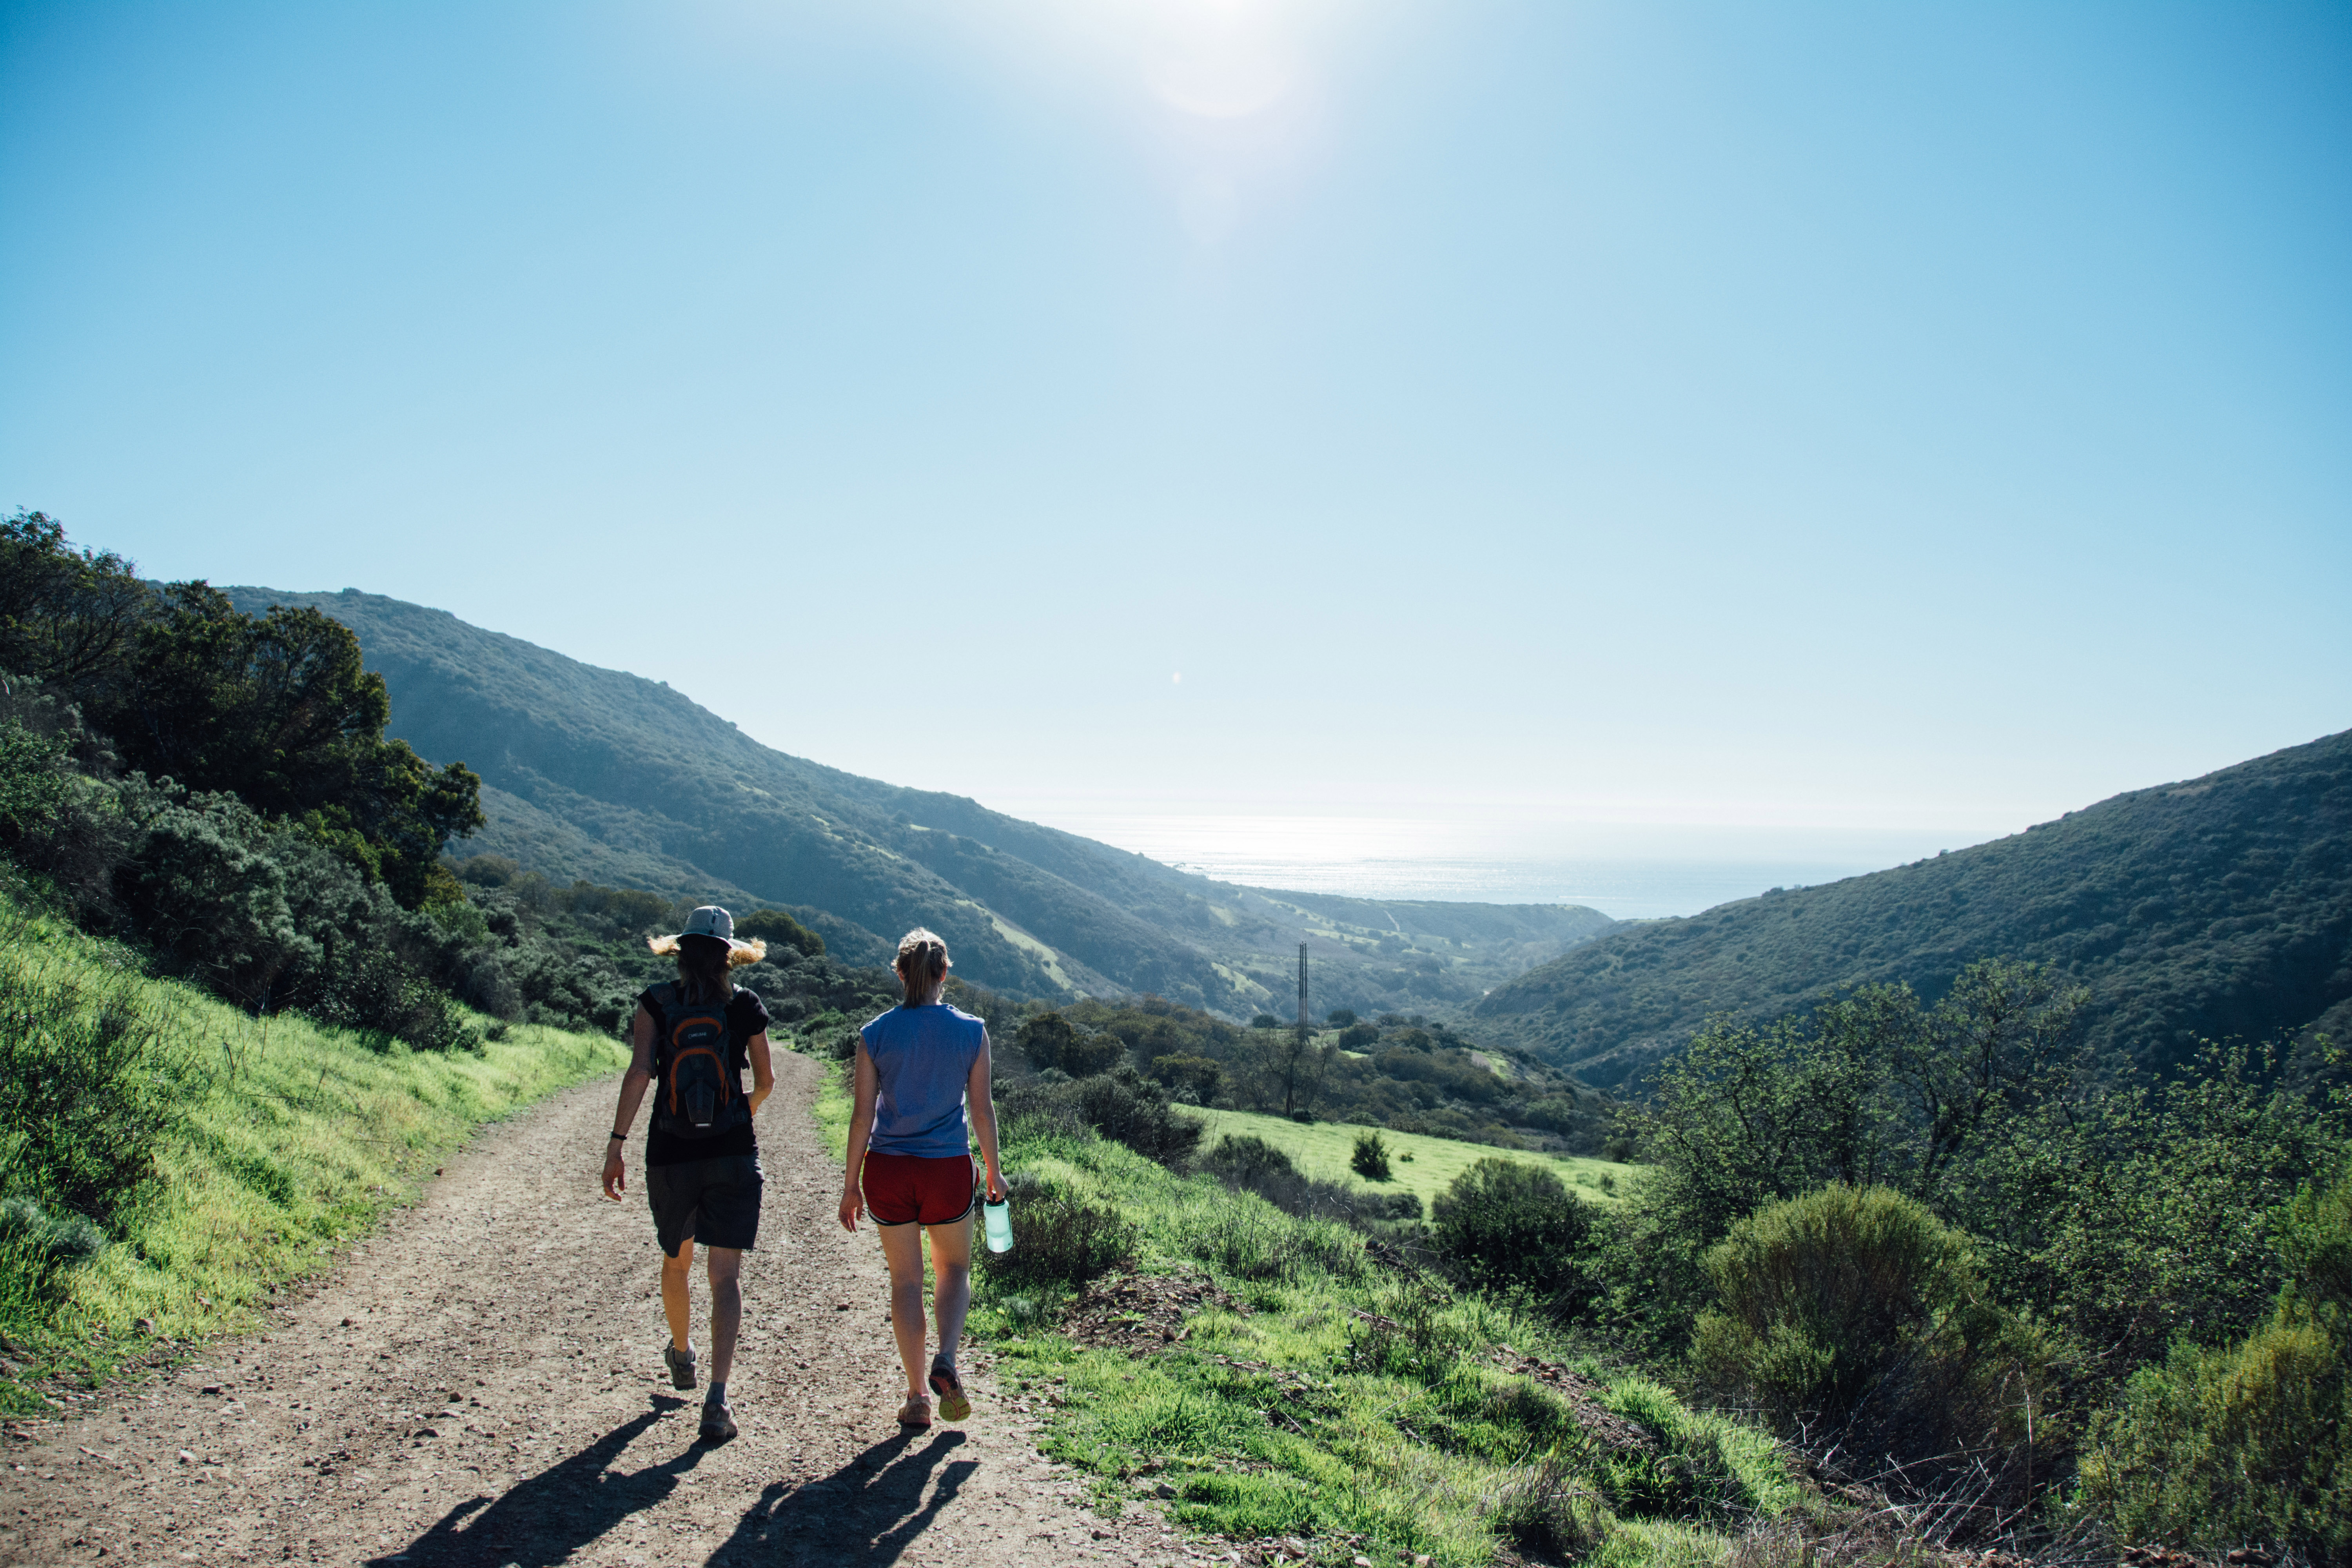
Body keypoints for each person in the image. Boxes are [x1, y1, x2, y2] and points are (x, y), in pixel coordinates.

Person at [601, 905, 776, 1443]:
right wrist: (731, 1117)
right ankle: (718, 1400)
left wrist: (617, 1145)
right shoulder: (745, 1005)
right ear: (729, 957)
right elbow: (767, 1082)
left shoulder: (655, 1002)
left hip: (670, 1152)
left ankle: (681, 1354)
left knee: (676, 1262)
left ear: (678, 951)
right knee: (725, 1278)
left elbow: (638, 1072)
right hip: (732, 1154)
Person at [838, 926, 1005, 1428]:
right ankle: (947, 1359)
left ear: (900, 973)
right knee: (953, 1269)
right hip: (947, 1168)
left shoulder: (875, 1033)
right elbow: (982, 1111)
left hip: (888, 1170)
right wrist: (995, 1170)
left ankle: (916, 1397)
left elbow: (861, 1116)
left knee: (906, 1279)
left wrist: (850, 1185)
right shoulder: (972, 1030)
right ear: (944, 973)